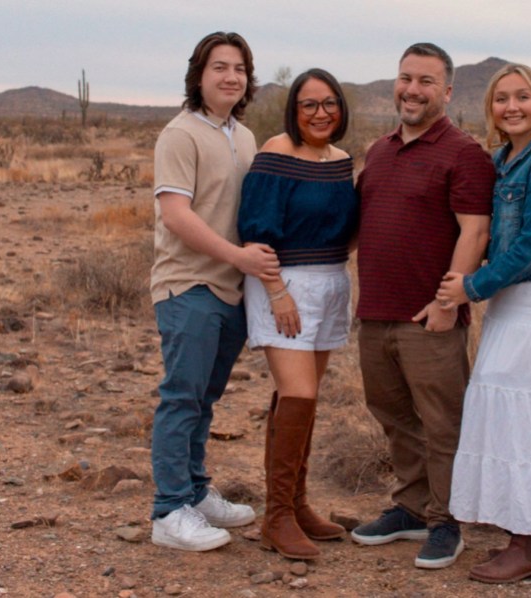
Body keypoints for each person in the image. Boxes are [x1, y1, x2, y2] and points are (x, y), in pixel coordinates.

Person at [436, 63, 531, 584]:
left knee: (513, 412)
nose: (512, 107)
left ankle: (527, 546)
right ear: (491, 108)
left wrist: (469, 287)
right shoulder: (504, 159)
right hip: (515, 303)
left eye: (523, 97)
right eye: (502, 99)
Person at [351, 43, 495, 570]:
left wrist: (444, 303)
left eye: (426, 81)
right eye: (406, 78)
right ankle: (411, 508)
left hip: (428, 316)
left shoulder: (464, 153)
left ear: (448, 92)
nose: (413, 89)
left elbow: (474, 230)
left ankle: (447, 520)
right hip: (376, 312)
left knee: (443, 422)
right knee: (392, 414)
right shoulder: (381, 149)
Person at [149, 31, 281, 552]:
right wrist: (239, 258)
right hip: (189, 285)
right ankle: (168, 511)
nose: (230, 77)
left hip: (231, 290)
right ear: (198, 75)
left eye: (240, 69)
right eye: (219, 67)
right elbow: (176, 215)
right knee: (181, 398)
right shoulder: (180, 135)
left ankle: (195, 493)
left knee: (205, 398)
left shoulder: (243, 136)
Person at [238, 68, 358, 560]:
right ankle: (276, 518)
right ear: (294, 109)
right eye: (309, 104)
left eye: (329, 103)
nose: (320, 113)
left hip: (330, 282)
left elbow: (348, 228)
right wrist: (276, 291)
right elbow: (255, 229)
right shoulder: (276, 151)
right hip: (282, 284)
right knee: (298, 392)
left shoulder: (342, 160)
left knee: (301, 401)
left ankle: (297, 505)